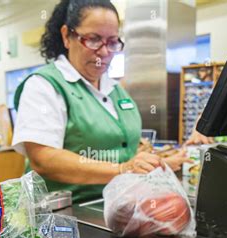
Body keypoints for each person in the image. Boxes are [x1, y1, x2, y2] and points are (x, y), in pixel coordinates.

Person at [11, 0, 192, 203]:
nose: (105, 52)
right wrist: (122, 169)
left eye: (113, 42)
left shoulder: (115, 89)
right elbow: (43, 159)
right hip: (63, 214)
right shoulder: (44, 85)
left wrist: (159, 163)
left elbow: (125, 151)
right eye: (93, 39)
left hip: (116, 205)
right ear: (66, 36)